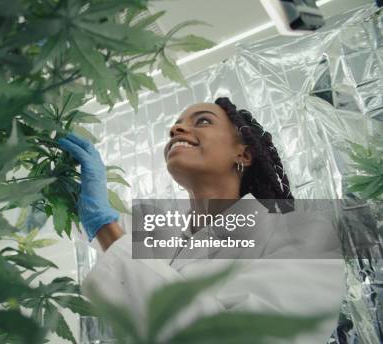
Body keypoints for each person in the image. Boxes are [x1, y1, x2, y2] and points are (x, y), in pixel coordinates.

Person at [57, 97, 346, 343]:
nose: (176, 129)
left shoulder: (302, 232)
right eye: (175, 126)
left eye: (203, 121)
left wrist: (106, 228)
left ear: (243, 154)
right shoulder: (167, 245)